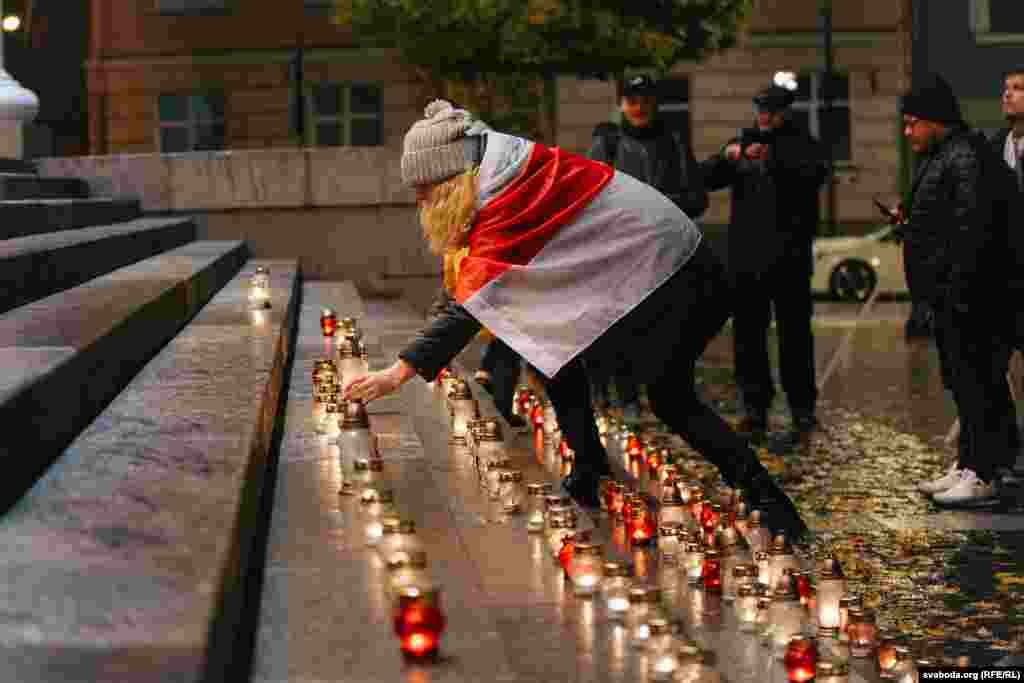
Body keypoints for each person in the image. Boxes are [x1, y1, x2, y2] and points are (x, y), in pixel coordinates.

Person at [342, 99, 809, 539]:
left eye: (423, 189)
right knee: (553, 348)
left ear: (448, 179)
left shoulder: (506, 194)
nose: (420, 200)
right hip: (646, 272)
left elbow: (468, 302)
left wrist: (399, 371)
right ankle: (589, 471)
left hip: (677, 274)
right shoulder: (499, 169)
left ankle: (771, 505)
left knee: (670, 398)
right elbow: (466, 284)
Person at [900, 74, 1017, 507]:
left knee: (978, 383)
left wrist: (957, 290)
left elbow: (971, 230)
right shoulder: (946, 155)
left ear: (936, 119)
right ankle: (973, 462)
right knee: (966, 384)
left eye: (913, 122)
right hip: (951, 296)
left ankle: (984, 471)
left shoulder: (965, 157)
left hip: (969, 297)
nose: (907, 131)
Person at [701, 84, 828, 443]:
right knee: (748, 338)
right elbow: (707, 177)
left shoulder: (803, 142)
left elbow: (812, 174)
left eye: (772, 110)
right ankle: (755, 408)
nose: (765, 116)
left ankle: (802, 409)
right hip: (746, 259)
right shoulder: (744, 141)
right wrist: (728, 157)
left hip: (790, 258)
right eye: (761, 109)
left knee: (795, 337)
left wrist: (767, 158)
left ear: (787, 110)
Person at [586, 74, 709, 424]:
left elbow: (697, 197)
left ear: (654, 103)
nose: (638, 108)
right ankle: (617, 395)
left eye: (644, 100)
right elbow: (589, 194)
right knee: (616, 324)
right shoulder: (607, 144)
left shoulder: (674, 143)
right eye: (631, 100)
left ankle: (660, 395)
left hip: (663, 253)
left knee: (661, 328)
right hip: (616, 250)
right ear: (622, 104)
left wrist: (659, 204)